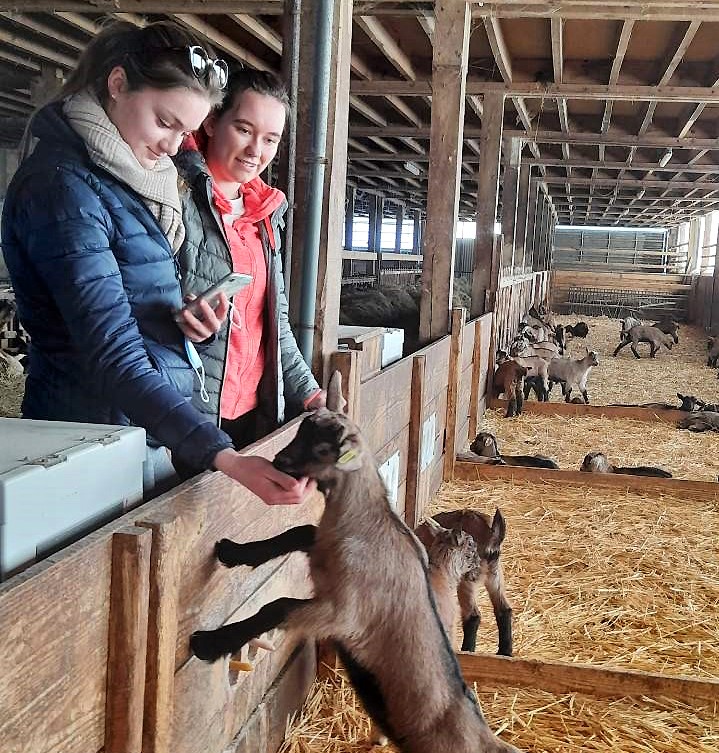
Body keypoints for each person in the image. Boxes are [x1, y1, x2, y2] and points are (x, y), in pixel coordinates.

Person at [1, 21, 314, 506]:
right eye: (166, 123)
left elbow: (141, 311)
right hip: (89, 439)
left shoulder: (136, 181)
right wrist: (223, 455)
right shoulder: (64, 189)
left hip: (142, 429)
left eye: (185, 131)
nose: (174, 148)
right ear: (118, 83)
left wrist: (190, 324)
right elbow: (111, 352)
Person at [173, 68, 325, 459]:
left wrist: (311, 393)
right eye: (243, 129)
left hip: (253, 414)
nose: (256, 149)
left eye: (270, 138)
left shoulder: (265, 217)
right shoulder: (176, 196)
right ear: (211, 121)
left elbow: (274, 324)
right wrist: (180, 318)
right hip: (186, 414)